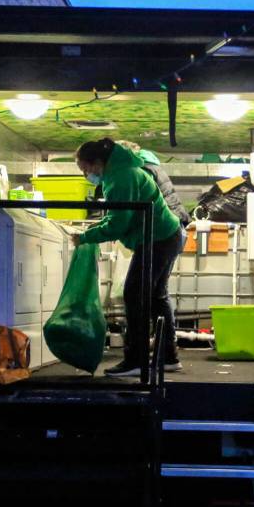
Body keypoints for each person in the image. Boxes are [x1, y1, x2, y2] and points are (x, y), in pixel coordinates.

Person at [72, 137, 183, 376]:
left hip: (157, 238)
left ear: (97, 162)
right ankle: (167, 357)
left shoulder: (119, 178)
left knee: (134, 295)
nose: (85, 175)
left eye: (85, 169)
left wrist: (85, 237)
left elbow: (118, 224)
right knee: (155, 296)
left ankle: (135, 360)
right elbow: (119, 217)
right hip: (167, 235)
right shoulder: (125, 170)